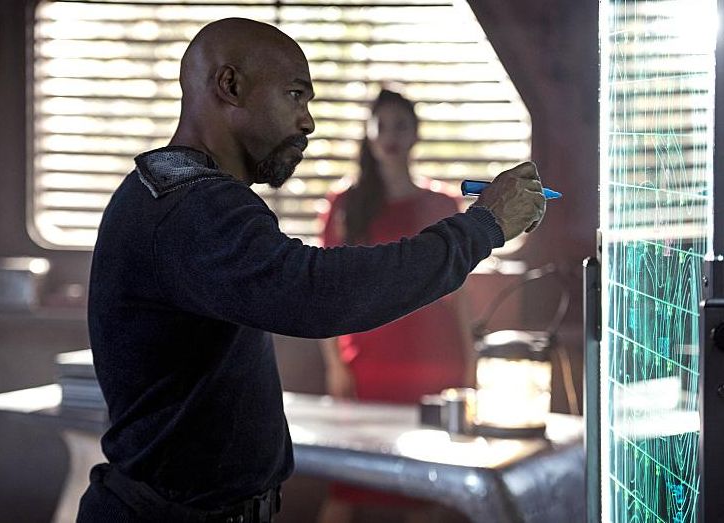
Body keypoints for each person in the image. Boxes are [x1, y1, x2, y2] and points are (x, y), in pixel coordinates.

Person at [77, 17, 546, 523]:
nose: (308, 122)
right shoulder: (193, 207)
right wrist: (483, 227)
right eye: (295, 95)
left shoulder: (174, 191)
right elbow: (316, 292)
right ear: (230, 86)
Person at [317, 88, 476, 523]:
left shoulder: (442, 204)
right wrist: (335, 364)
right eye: (381, 125)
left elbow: (459, 295)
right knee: (348, 485)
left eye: (400, 125)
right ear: (368, 135)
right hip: (369, 362)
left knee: (425, 490)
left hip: (434, 360)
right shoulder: (345, 205)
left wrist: (471, 360)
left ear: (415, 134)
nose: (390, 135)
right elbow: (326, 291)